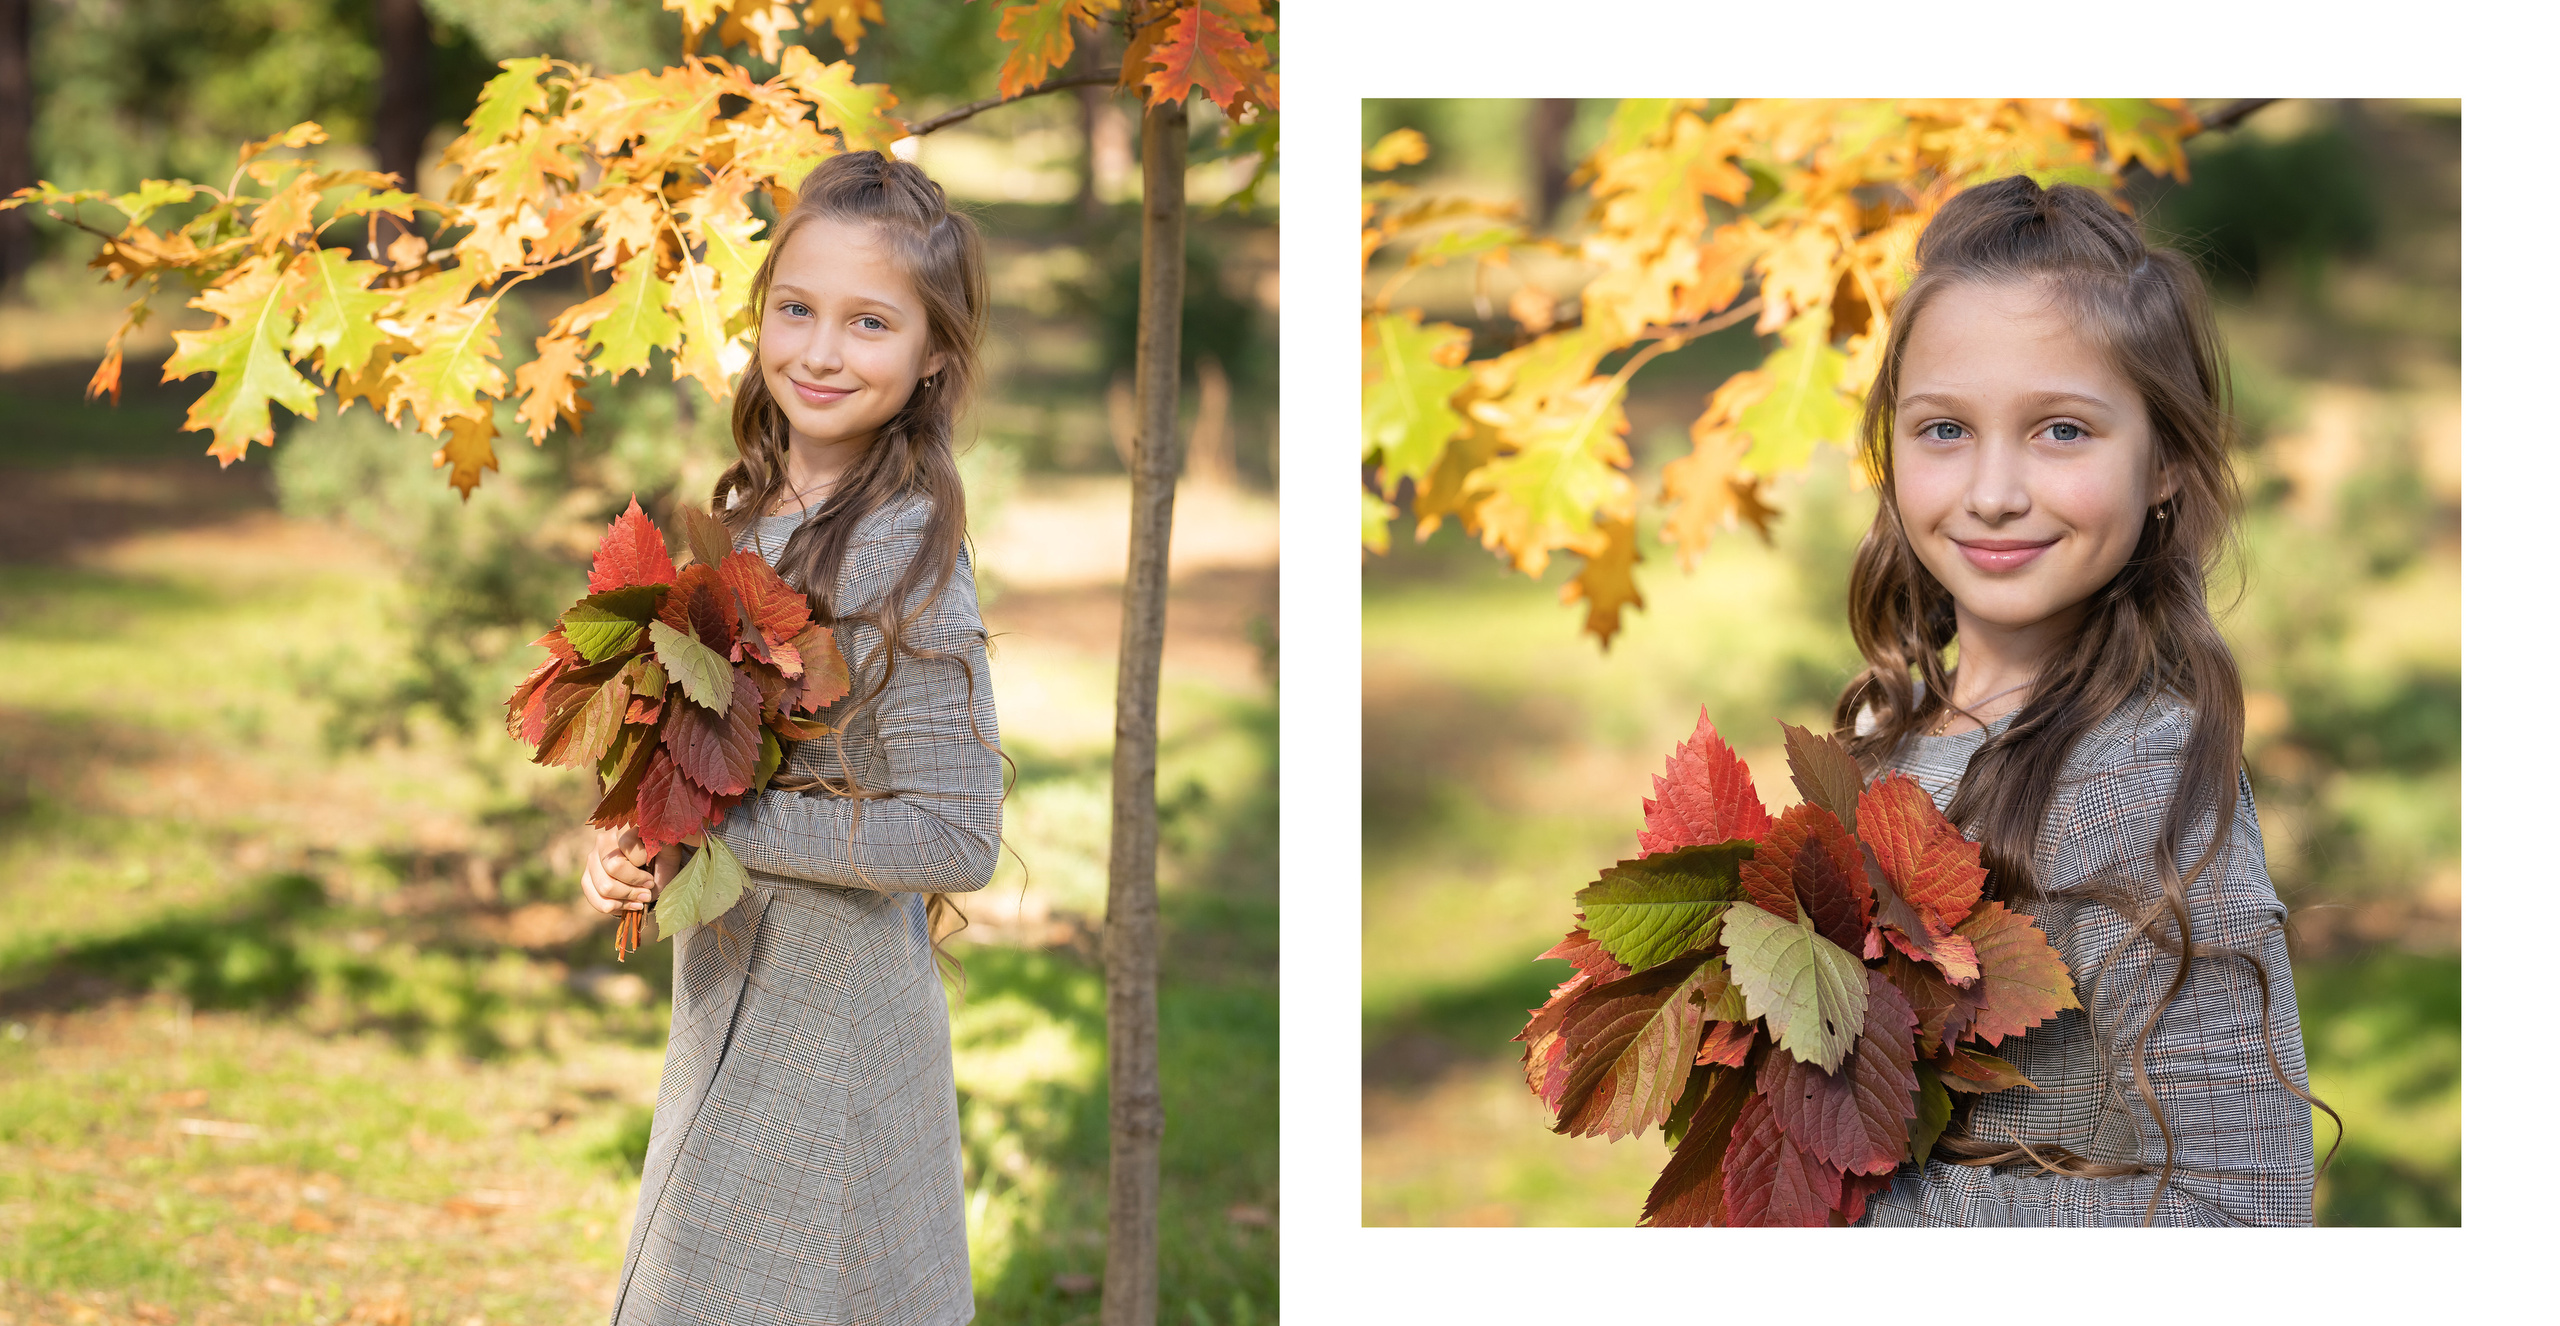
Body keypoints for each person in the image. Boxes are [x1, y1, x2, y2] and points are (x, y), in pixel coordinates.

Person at [1833, 175, 2329, 1226]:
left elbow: (2238, 1212)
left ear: (2165, 463)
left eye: (2061, 430)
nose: (1994, 490)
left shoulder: (2137, 775)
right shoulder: (1886, 741)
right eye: (1942, 431)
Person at [579, 149, 1003, 1320]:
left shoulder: (902, 555)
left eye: (870, 323)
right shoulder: (741, 518)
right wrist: (627, 837)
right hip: (728, 994)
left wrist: (721, 822)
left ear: (931, 360)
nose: (820, 351)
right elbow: (686, 751)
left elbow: (955, 837)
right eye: (796, 309)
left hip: (832, 1027)